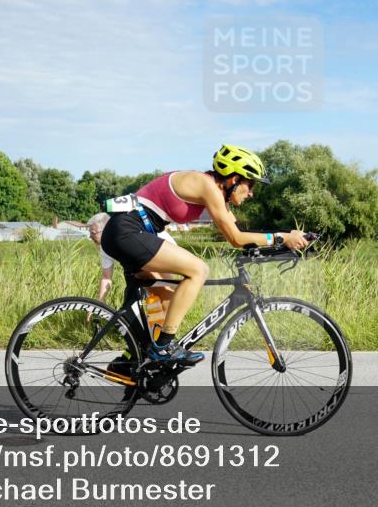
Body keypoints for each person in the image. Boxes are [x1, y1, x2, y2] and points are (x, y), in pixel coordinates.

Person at [100, 144, 309, 365]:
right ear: (234, 178)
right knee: (198, 270)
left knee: (166, 297)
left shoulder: (215, 192)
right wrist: (281, 237)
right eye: (250, 185)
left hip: (130, 232)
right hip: (127, 231)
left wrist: (286, 236)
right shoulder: (206, 186)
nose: (251, 192)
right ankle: (164, 347)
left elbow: (244, 235)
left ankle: (133, 360)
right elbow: (236, 239)